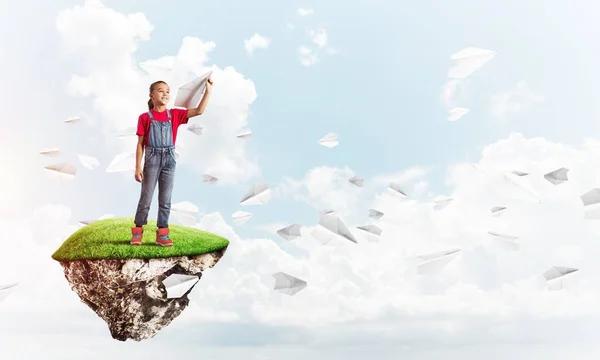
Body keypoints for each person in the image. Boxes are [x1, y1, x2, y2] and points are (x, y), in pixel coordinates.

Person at [130, 78, 214, 246]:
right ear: (151, 95)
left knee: (165, 199)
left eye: (168, 91)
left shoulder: (175, 114)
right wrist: (138, 166)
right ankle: (138, 231)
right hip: (151, 159)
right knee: (146, 197)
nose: (165, 93)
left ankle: (162, 234)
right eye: (161, 90)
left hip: (169, 160)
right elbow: (140, 144)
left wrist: (208, 92)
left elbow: (199, 111)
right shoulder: (144, 117)